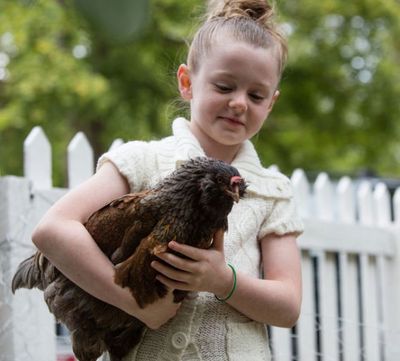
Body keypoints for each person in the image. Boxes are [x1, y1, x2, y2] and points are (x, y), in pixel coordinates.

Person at [32, 0, 304, 359]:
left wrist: (224, 281)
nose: (239, 103)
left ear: (270, 104)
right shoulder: (143, 161)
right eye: (224, 87)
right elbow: (53, 229)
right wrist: (134, 302)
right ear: (187, 82)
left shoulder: (272, 192)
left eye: (256, 95)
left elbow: (288, 306)